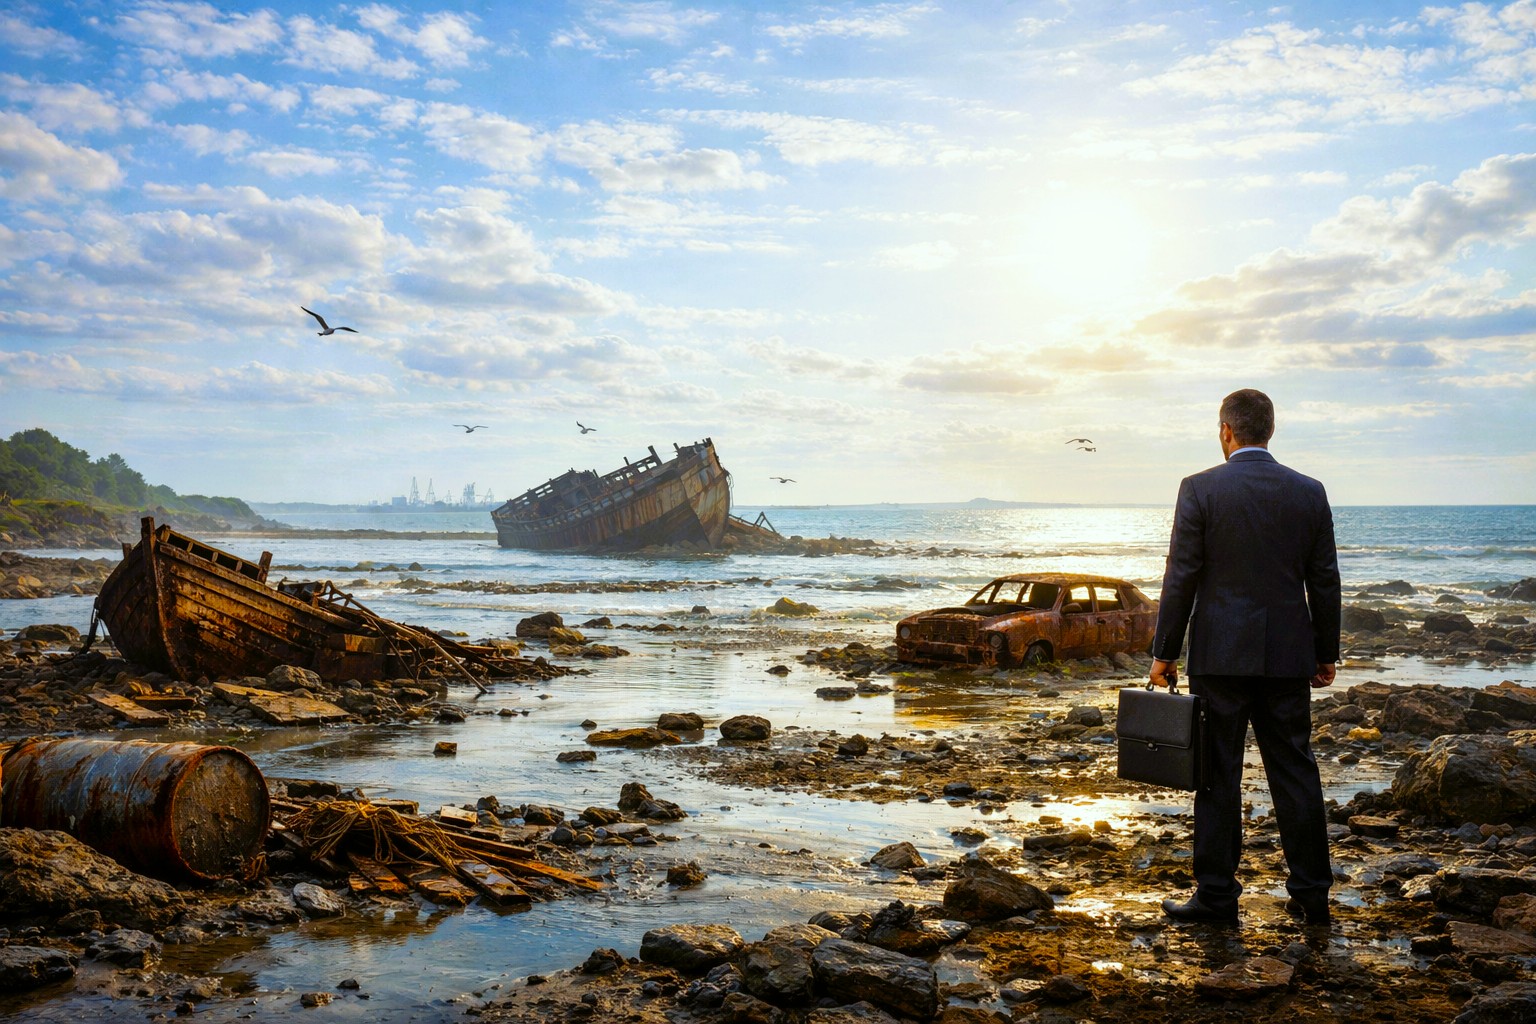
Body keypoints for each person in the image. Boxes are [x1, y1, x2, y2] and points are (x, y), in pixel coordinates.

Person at [1150, 388, 1341, 927]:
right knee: (1296, 773)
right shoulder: (1309, 491)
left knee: (1216, 776)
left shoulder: (1200, 488)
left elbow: (1180, 576)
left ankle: (1215, 895)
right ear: (1270, 432)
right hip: (1287, 657)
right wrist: (1325, 650)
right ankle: (1312, 893)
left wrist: (1165, 652)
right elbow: (1324, 580)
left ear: (1226, 431)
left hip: (1219, 657)